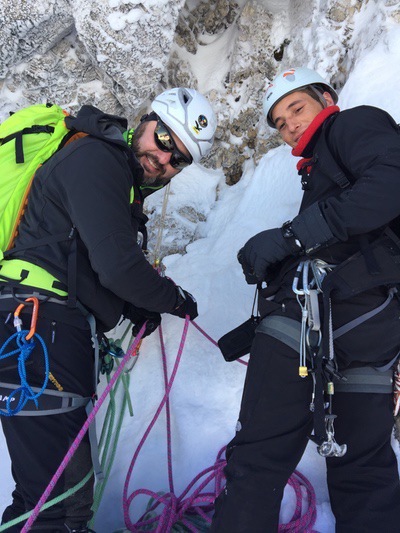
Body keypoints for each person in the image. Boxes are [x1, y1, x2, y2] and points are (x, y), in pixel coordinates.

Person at [0, 87, 217, 533]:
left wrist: (130, 309)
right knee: (53, 499)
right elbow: (117, 266)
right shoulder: (97, 160)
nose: (164, 158)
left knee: (54, 494)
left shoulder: (113, 178)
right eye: (163, 139)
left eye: (179, 158)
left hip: (46, 330)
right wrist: (170, 299)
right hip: (38, 328)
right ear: (146, 121)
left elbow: (86, 260)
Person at [211, 67, 400, 532]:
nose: (290, 124)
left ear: (325, 98)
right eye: (279, 121)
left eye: (297, 108)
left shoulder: (352, 125)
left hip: (314, 314)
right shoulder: (325, 167)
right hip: (372, 321)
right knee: (364, 466)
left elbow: (392, 182)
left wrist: (292, 239)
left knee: (260, 450)